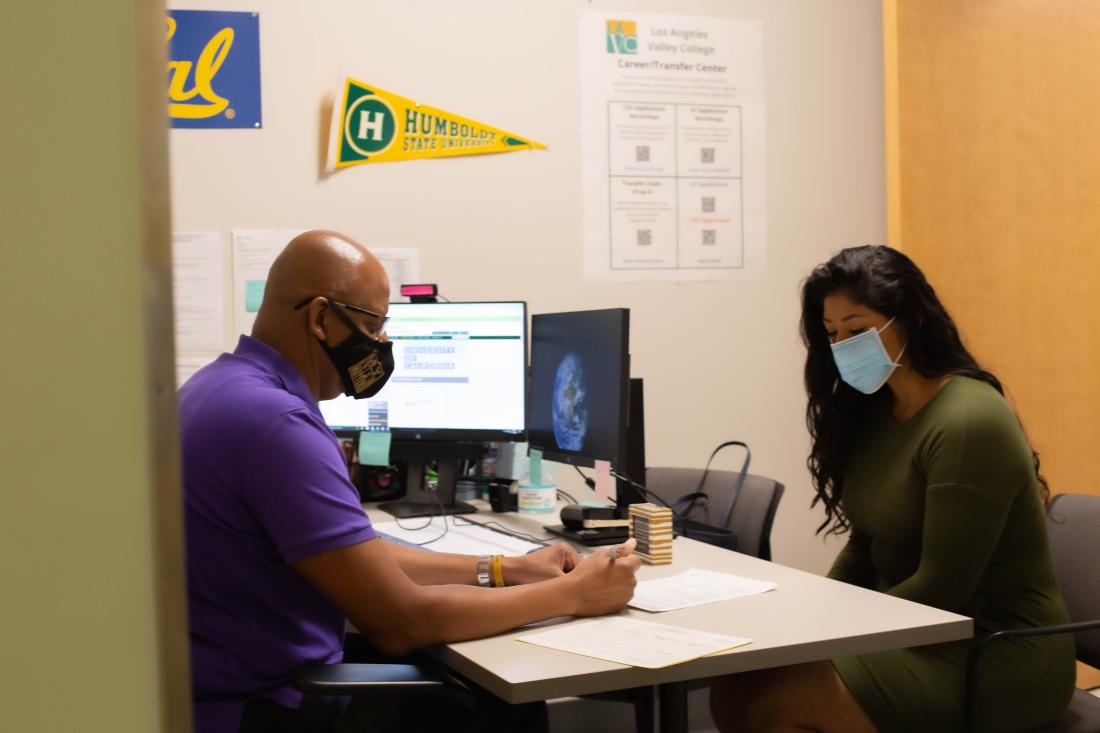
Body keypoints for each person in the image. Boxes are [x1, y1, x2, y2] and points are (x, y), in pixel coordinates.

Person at [180, 230, 641, 733]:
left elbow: (355, 555)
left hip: (209, 690)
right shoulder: (278, 424)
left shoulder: (218, 388)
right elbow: (402, 622)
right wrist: (574, 595)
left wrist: (506, 567)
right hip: (263, 710)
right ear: (319, 318)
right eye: (373, 324)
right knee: (506, 703)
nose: (380, 344)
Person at [709, 245, 1075, 732]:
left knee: (782, 696)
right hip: (913, 628)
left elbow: (945, 588)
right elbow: (866, 541)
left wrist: (835, 633)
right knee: (736, 683)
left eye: (859, 330)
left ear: (914, 320)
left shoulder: (969, 420)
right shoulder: (878, 412)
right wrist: (808, 617)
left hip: (993, 652)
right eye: (833, 333)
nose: (843, 347)